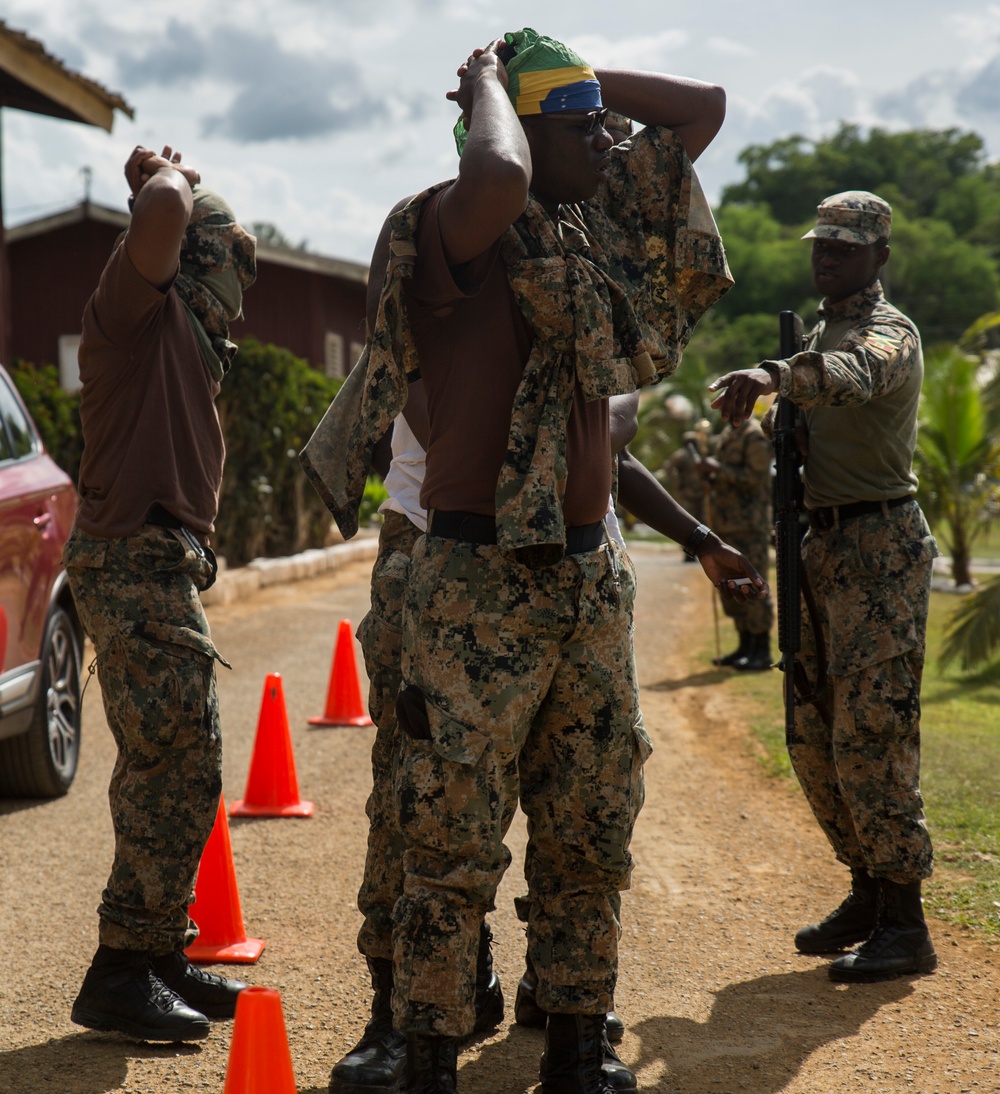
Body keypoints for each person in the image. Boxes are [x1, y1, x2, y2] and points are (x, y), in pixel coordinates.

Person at [302, 28, 739, 1092]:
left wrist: (580, 69)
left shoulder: (589, 246)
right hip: (475, 581)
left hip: (586, 578)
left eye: (604, 117)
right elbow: (496, 170)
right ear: (524, 130)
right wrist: (494, 84)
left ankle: (579, 1043)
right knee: (448, 841)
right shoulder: (451, 233)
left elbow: (701, 109)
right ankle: (430, 1047)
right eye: (582, 121)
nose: (609, 134)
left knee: (591, 818)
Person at [709, 190, 939, 983]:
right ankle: (868, 890)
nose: (827, 257)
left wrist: (777, 374)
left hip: (880, 549)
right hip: (821, 550)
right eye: (822, 244)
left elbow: (852, 375)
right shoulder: (822, 329)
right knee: (812, 734)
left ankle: (906, 922)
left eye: (844, 247)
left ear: (880, 255)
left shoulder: (886, 333)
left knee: (872, 737)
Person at [65, 145, 256, 1040]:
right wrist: (162, 176)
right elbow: (161, 220)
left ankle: (156, 952)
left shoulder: (195, 343)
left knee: (186, 760)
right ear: (193, 263)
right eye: (228, 261)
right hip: (129, 555)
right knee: (172, 760)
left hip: (159, 559)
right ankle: (119, 969)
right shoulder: (133, 313)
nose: (237, 289)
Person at [697, 414, 775, 670]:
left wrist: (718, 470)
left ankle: (761, 651)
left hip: (748, 526)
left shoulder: (754, 436)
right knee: (734, 585)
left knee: (754, 584)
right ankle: (745, 646)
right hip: (727, 524)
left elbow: (756, 477)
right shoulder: (729, 435)